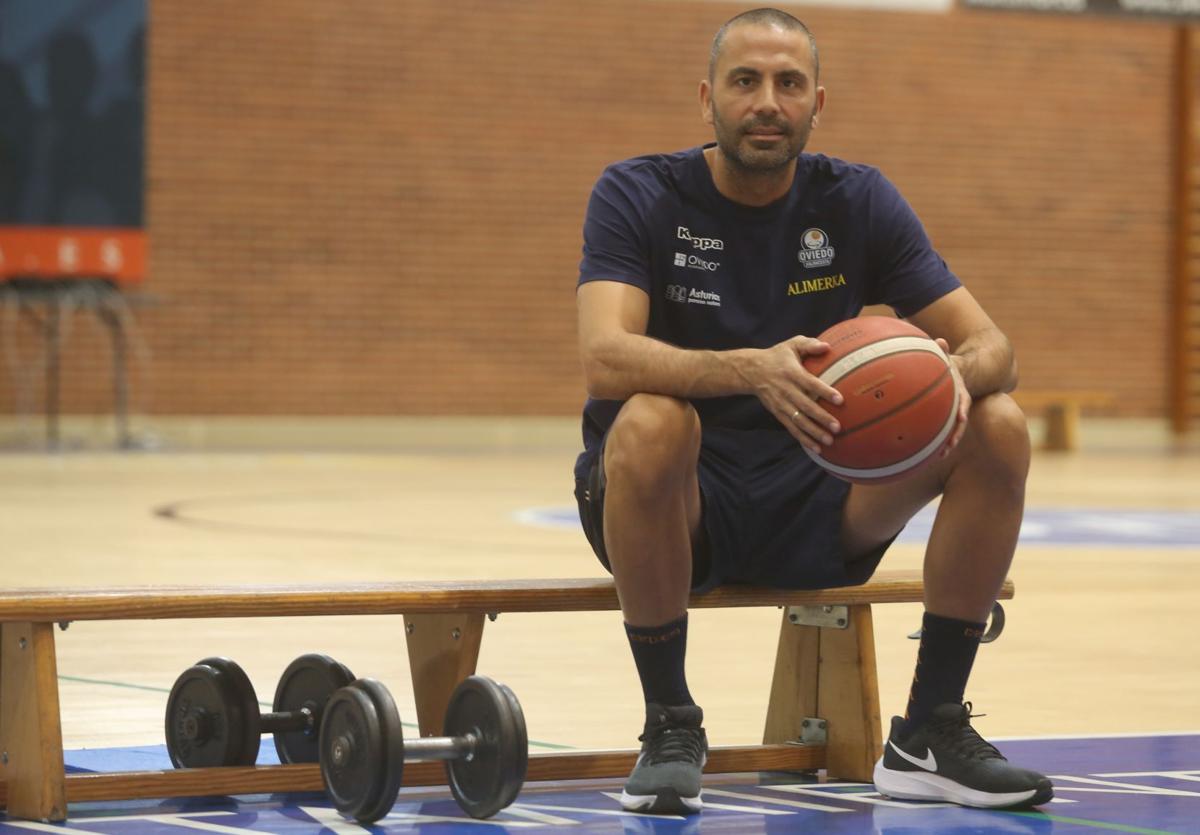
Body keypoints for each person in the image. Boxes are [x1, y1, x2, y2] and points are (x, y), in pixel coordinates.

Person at [572, 6, 1053, 817]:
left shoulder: (857, 199)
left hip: (821, 488)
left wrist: (942, 377)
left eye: (788, 83)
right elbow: (603, 354)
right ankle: (670, 724)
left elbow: (994, 347)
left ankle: (929, 728)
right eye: (746, 81)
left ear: (816, 105)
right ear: (707, 99)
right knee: (655, 418)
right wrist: (749, 372)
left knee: (999, 422)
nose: (768, 100)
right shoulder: (638, 192)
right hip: (677, 505)